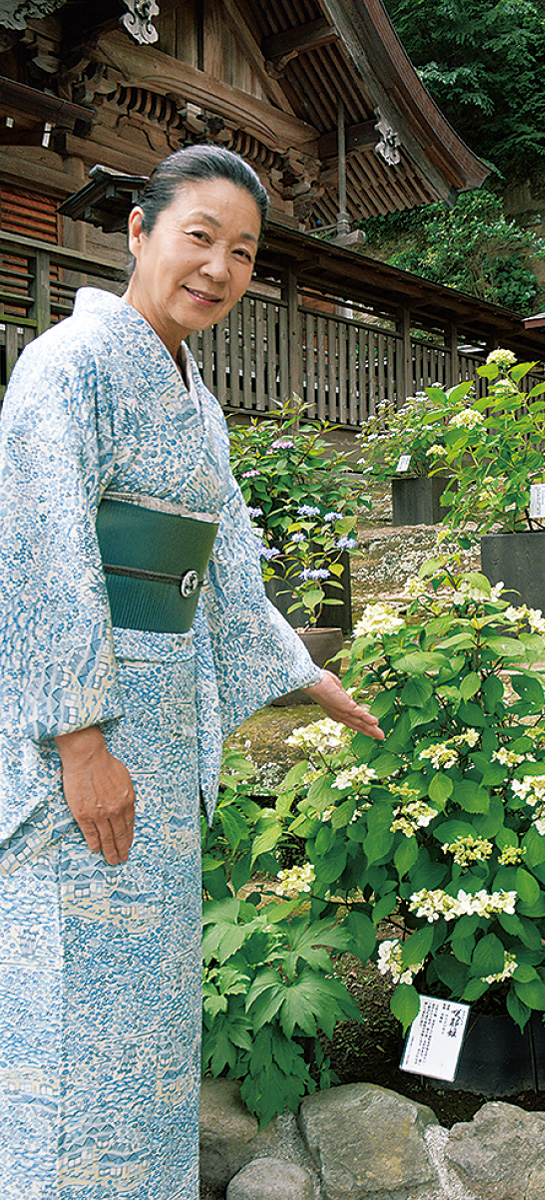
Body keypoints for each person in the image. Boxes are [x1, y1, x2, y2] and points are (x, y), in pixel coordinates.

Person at [0, 143, 382, 1200]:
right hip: (82, 740)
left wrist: (305, 675)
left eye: (242, 252)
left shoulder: (197, 403)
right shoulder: (65, 368)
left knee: (145, 1018)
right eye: (198, 237)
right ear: (139, 232)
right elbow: (40, 556)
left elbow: (222, 572)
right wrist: (80, 742)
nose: (216, 268)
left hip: (161, 742)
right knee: (70, 1015)